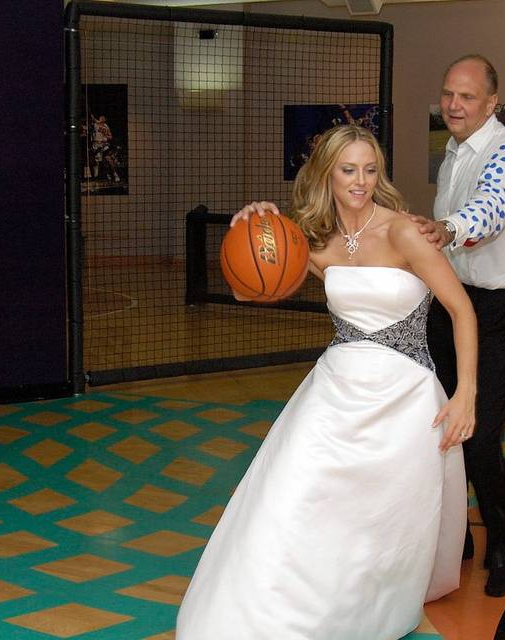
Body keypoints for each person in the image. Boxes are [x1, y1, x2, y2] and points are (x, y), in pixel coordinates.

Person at [175, 125, 478, 639]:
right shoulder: (310, 240)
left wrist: (465, 393)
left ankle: (361, 608)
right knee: (293, 495)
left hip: (406, 399)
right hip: (335, 389)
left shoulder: (404, 232)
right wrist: (250, 231)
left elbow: (461, 310)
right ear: (326, 175)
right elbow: (253, 293)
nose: (360, 181)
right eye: (348, 170)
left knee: (378, 519)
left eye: (370, 169)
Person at [408, 54, 505, 598]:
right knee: (444, 425)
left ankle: (504, 536)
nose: (453, 104)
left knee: (480, 432)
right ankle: (455, 536)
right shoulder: (452, 152)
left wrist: (445, 228)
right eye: (448, 94)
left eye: (467, 96)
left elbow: (489, 210)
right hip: (459, 303)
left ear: (493, 102)